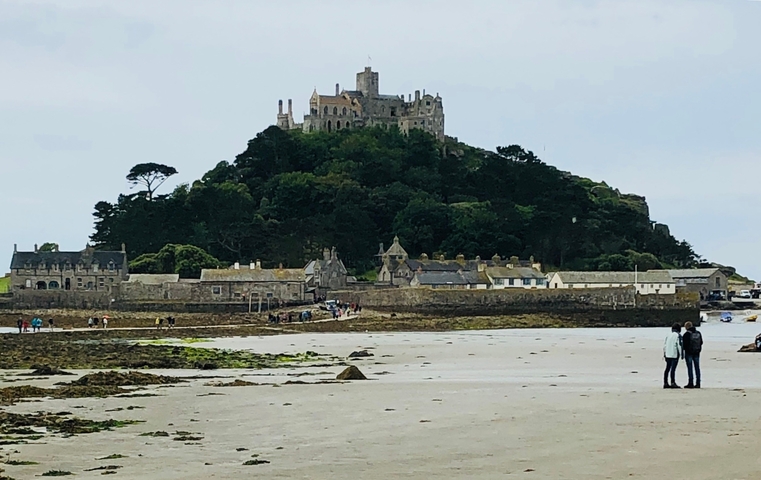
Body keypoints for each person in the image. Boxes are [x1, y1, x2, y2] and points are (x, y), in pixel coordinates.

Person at [682, 321, 703, 388]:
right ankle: (698, 383)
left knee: (690, 368)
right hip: (697, 352)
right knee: (697, 368)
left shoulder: (686, 334)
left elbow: (684, 345)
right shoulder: (698, 333)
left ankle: (691, 382)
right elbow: (701, 342)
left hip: (689, 353)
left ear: (686, 327)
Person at [663, 323, 683, 389]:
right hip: (674, 354)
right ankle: (673, 382)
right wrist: (682, 354)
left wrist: (664, 354)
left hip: (668, 354)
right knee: (673, 369)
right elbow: (679, 345)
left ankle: (665, 382)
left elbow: (664, 345)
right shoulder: (678, 335)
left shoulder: (668, 335)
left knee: (667, 369)